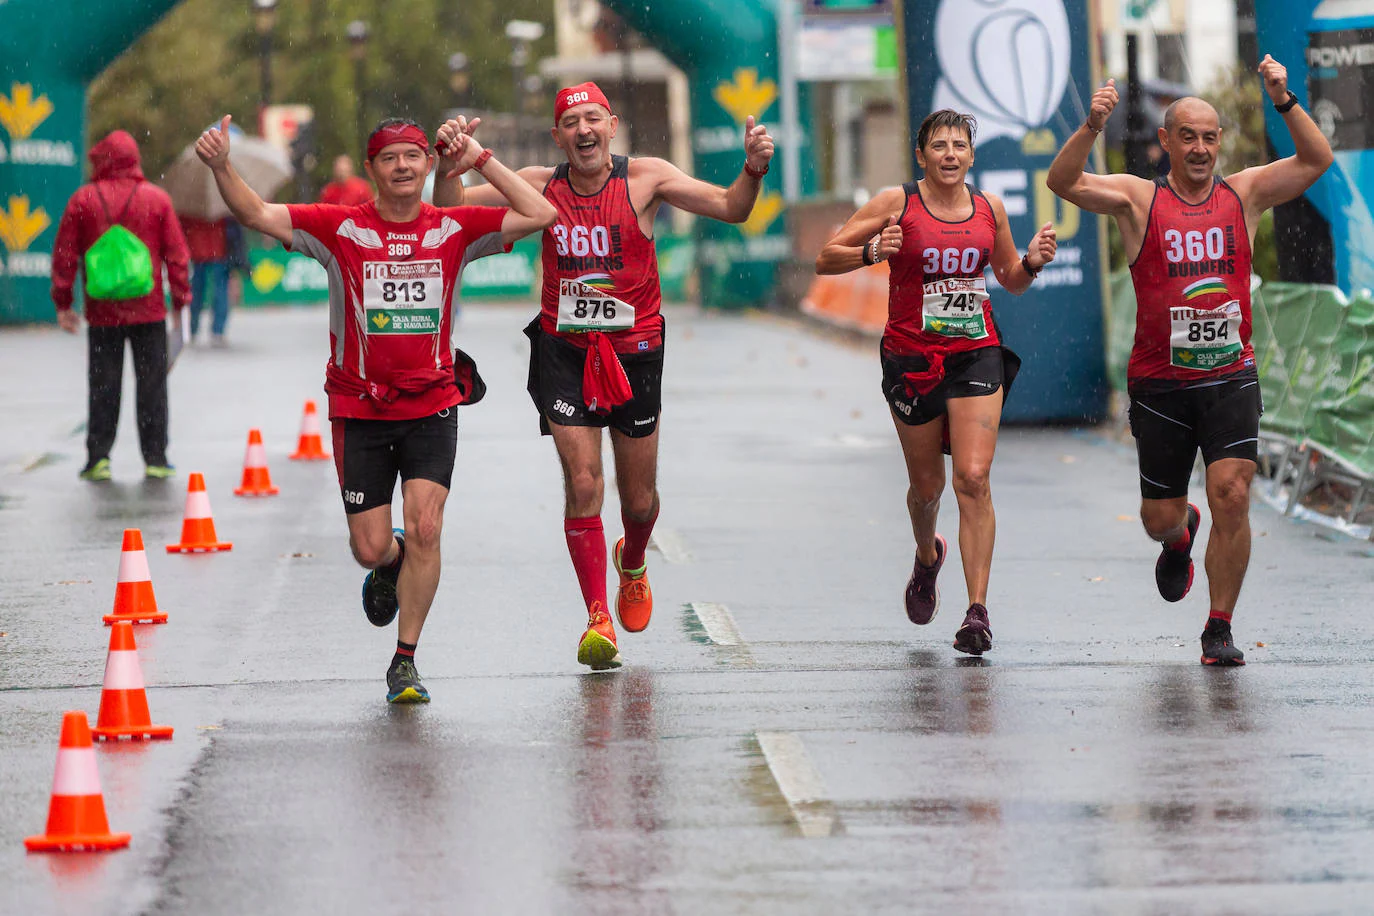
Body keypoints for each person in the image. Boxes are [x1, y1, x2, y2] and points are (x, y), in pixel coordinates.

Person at [196, 114, 557, 702]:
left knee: (428, 527)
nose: (403, 167)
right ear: (371, 169)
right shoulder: (340, 229)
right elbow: (257, 214)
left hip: (434, 402)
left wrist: (477, 157)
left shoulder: (452, 229)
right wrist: (220, 166)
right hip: (359, 408)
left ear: (428, 164)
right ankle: (389, 564)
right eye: (390, 158)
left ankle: (405, 660)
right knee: (369, 546)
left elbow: (541, 214)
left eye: (414, 156)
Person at [433, 82, 774, 671]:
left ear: (612, 126)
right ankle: (598, 616)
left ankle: (634, 560)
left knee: (639, 502)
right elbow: (448, 209)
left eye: (593, 119)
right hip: (564, 351)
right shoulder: (539, 184)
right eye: (571, 122)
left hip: (635, 350)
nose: (584, 131)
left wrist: (752, 168)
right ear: (558, 136)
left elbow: (732, 208)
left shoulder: (646, 178)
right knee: (585, 483)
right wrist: (447, 163)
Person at [1046, 56, 1332, 666]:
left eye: (1210, 137)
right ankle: (1178, 538)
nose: (1201, 148)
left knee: (1233, 490)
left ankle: (1219, 627)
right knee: (1158, 516)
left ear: (1218, 143)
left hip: (1230, 374)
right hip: (1160, 383)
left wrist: (1283, 98)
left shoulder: (1244, 193)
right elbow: (1063, 182)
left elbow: (1315, 161)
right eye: (1189, 137)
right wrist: (1092, 127)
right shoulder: (1137, 199)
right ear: (1167, 142)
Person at [815, 110, 1057, 656]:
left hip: (976, 351)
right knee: (929, 489)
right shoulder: (895, 203)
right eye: (939, 146)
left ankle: (977, 613)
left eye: (959, 146)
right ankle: (928, 556)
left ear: (972, 156)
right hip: (911, 357)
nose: (950, 154)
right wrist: (874, 251)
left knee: (973, 478)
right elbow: (824, 258)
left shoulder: (989, 208)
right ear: (921, 155)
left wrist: (1032, 263)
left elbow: (1010, 280)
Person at [51, 129, 190, 481]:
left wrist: (63, 302)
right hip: (150, 308)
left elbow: (65, 255)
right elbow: (177, 254)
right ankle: (156, 457)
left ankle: (98, 457)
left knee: (103, 384)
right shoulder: (156, 199)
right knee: (152, 385)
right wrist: (181, 299)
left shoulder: (83, 199)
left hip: (102, 312)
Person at [180, 215, 230, 345]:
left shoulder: (191, 205)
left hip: (197, 249)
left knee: (196, 291)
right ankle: (218, 330)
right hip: (219, 249)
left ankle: (193, 328)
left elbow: (183, 225)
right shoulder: (221, 206)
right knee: (220, 290)